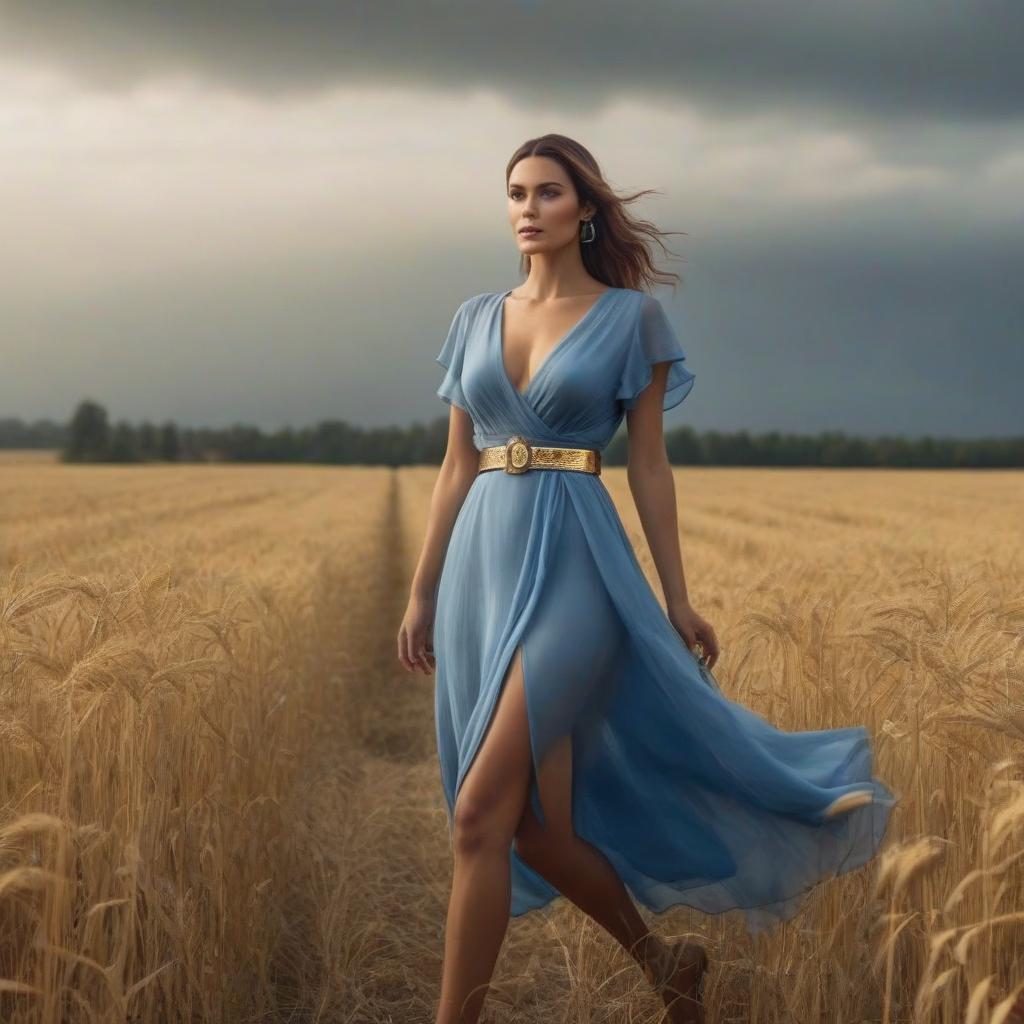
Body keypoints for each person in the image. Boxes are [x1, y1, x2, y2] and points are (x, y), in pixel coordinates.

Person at [398, 133, 897, 1024]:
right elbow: (453, 467)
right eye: (515, 192)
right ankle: (664, 964)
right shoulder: (473, 317)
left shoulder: (633, 321)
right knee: (532, 827)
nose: (527, 207)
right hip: (482, 561)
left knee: (478, 813)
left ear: (585, 210)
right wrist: (423, 589)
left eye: (548, 192)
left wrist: (675, 595)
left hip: (580, 567)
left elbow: (651, 467)